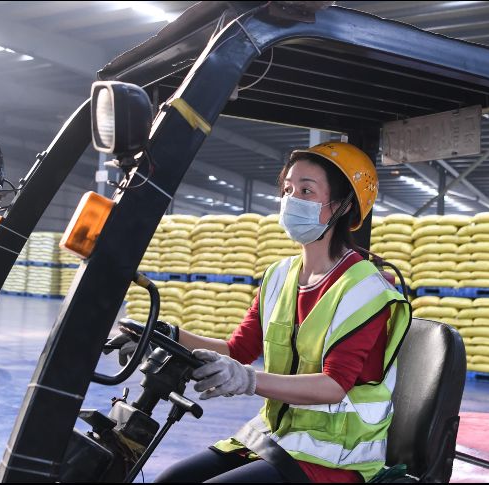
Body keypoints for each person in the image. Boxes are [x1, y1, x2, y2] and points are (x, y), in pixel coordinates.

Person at [121, 142, 410, 483]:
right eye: (288, 189)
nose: (291, 199)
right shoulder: (279, 275)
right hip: (277, 437)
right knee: (170, 479)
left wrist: (249, 379)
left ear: (344, 205)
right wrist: (165, 333)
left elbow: (334, 385)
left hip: (335, 456)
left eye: (306, 190)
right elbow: (237, 350)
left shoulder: (365, 288)